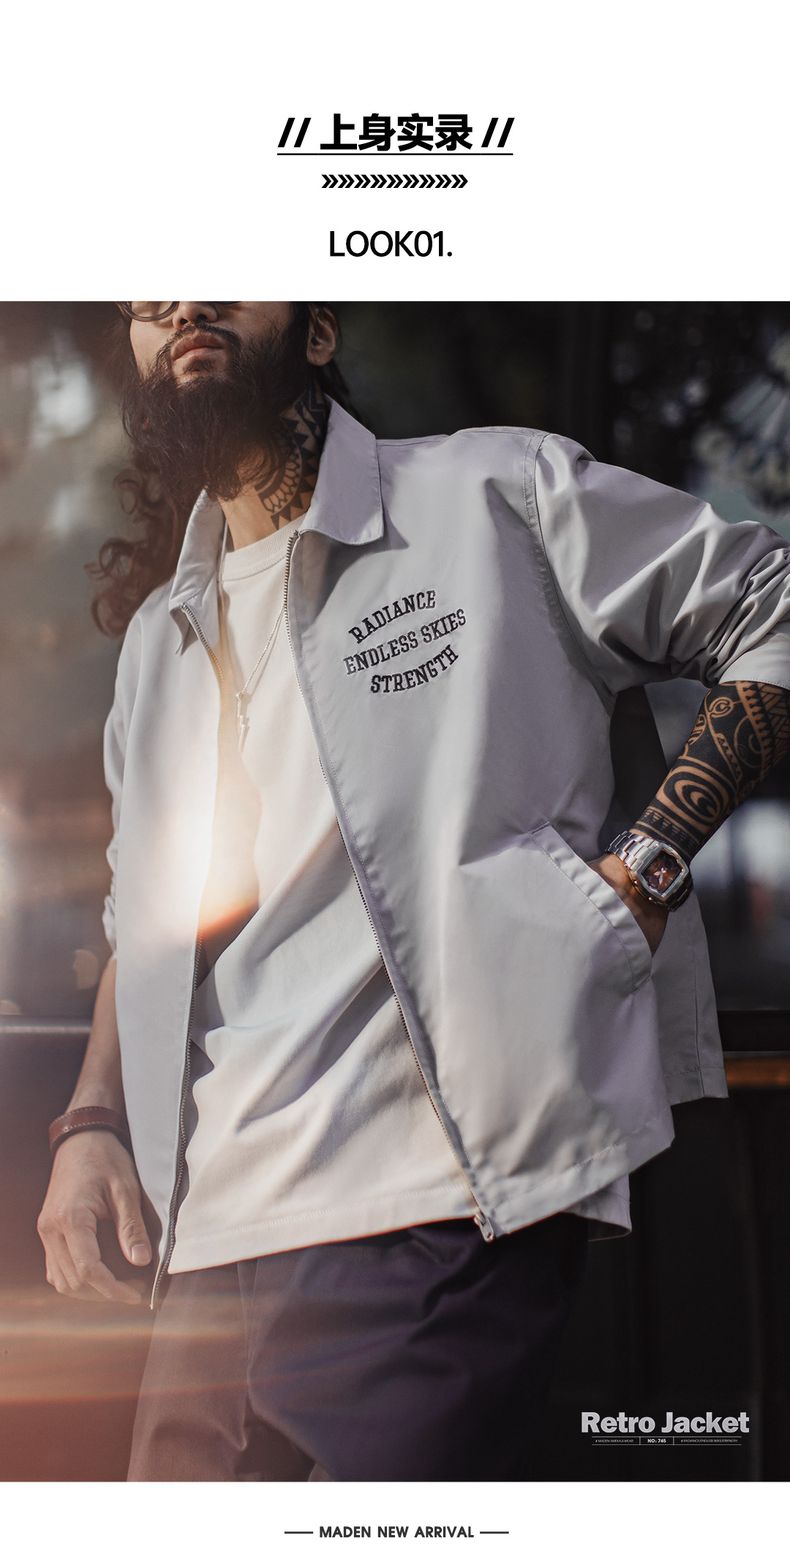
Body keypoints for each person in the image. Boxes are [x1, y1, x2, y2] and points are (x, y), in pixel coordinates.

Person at [36, 302, 790, 1481]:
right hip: (203, 1250)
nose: (184, 297)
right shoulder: (155, 643)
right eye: (148, 287)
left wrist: (647, 864)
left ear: (318, 330)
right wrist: (90, 1124)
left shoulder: (491, 497)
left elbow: (767, 604)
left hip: (428, 1217)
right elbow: (147, 916)